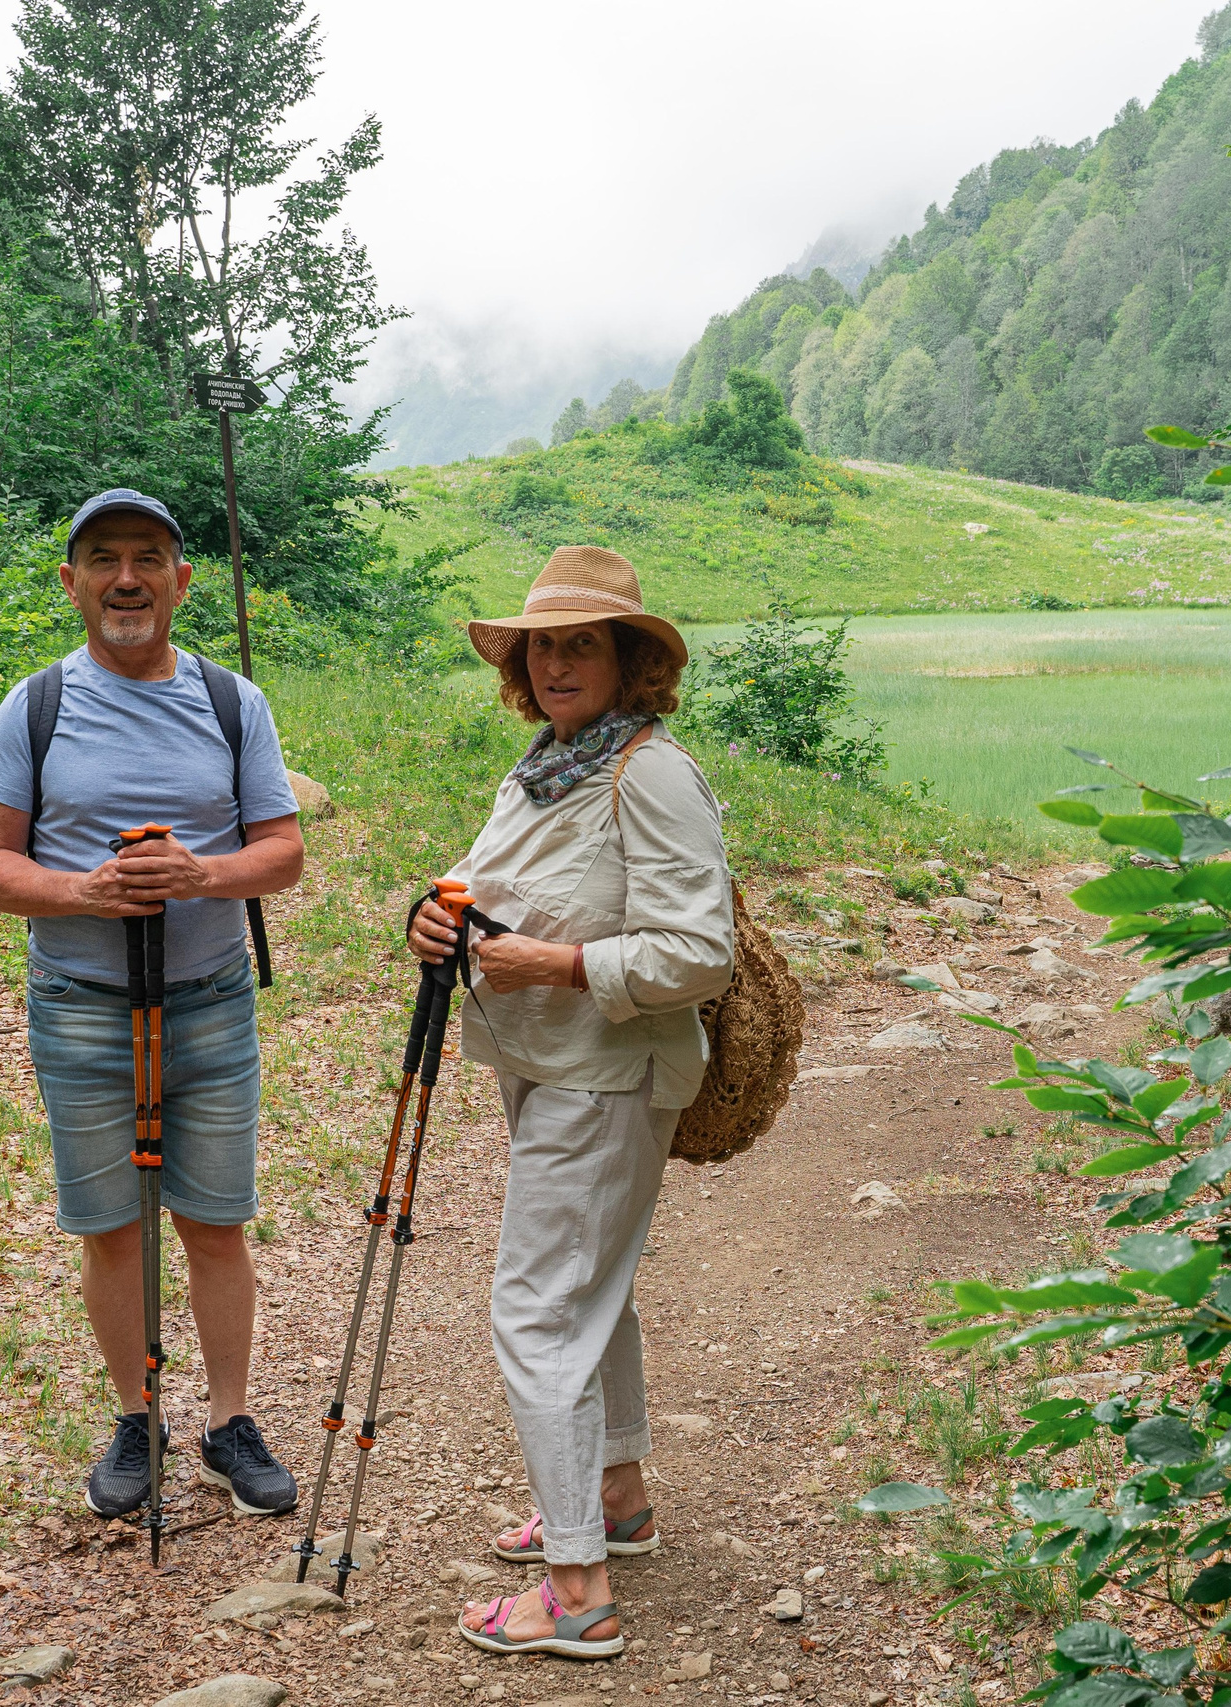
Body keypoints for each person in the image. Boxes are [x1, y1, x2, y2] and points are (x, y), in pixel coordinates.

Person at [410, 545, 735, 1661]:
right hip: (550, 1068)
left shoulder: (645, 772)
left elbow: (699, 952)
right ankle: (617, 1500)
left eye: (581, 642)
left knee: (538, 1309)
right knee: (592, 1292)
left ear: (628, 660)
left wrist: (552, 966)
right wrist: (437, 919)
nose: (556, 662)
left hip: (606, 1074)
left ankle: (577, 1588)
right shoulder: (549, 765)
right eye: (544, 643)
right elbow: (487, 883)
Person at [0, 488, 306, 1524]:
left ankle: (230, 1422)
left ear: (180, 580)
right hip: (80, 1001)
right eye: (103, 560)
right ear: (70, 583)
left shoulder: (234, 701)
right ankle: (135, 1416)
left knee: (214, 1220)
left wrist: (202, 877)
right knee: (111, 1227)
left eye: (147, 558)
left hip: (208, 1000)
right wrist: (84, 892)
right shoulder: (35, 708)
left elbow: (283, 852)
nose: (126, 578)